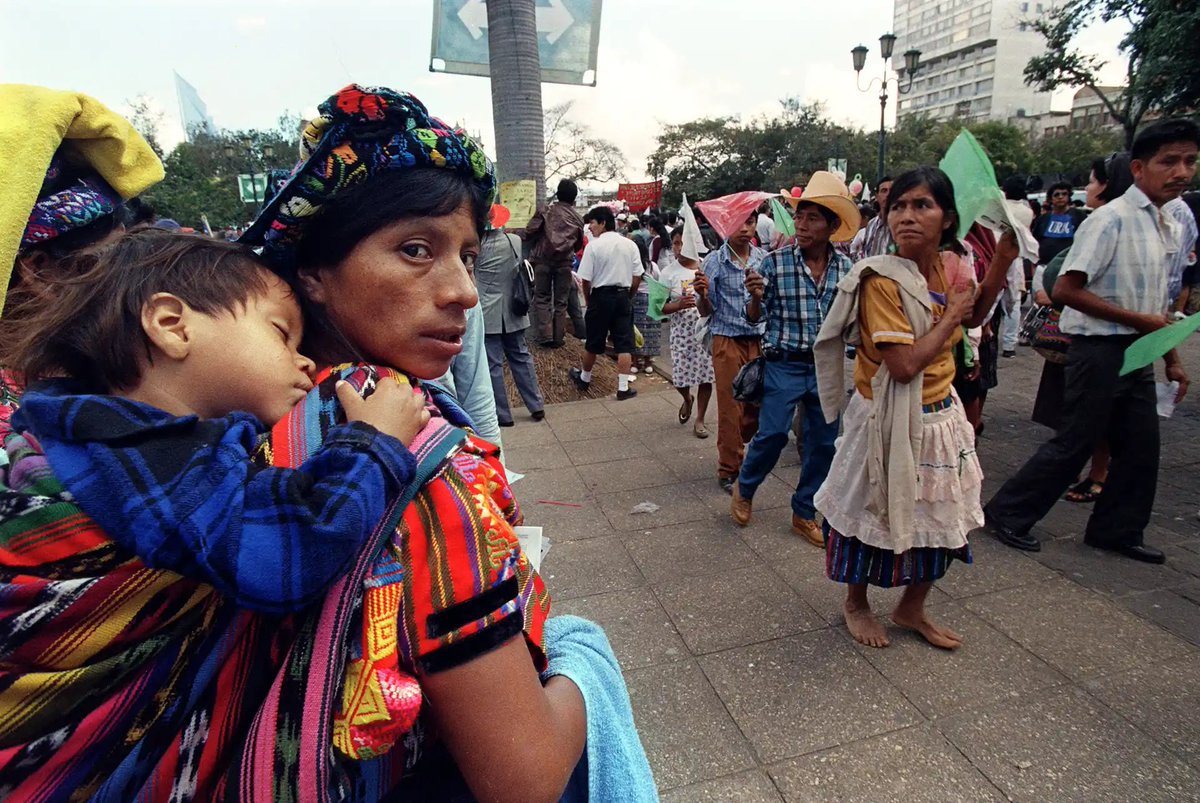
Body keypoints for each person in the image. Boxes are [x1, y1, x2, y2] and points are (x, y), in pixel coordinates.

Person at [3, 85, 655, 802]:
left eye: (467, 256)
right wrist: (585, 654)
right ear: (312, 270)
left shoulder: (211, 415)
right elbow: (524, 774)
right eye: (415, 249)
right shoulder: (419, 452)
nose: (464, 290)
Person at [0, 229, 431, 614]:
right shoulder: (143, 448)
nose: (305, 362)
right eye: (281, 334)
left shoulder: (85, 427)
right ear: (173, 326)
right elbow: (284, 559)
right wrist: (375, 442)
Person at [813, 166, 1018, 650]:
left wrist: (1002, 263)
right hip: (885, 414)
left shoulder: (951, 266)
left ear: (948, 218)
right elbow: (902, 366)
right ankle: (856, 603)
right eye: (898, 206)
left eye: (921, 205)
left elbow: (975, 313)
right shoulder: (881, 280)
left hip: (941, 413)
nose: (907, 216)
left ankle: (912, 606)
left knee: (945, 515)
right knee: (870, 510)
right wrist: (949, 317)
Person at [983, 119, 1197, 563]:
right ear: (1139, 168)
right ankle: (1008, 513)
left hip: (1139, 351)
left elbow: (1156, 305)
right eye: (1169, 161)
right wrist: (1138, 320)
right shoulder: (1109, 220)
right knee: (1075, 441)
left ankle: (1116, 529)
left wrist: (1172, 359)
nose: (1181, 171)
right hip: (1097, 349)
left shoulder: (1167, 225)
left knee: (1141, 447)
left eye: (1190, 161)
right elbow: (1066, 290)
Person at [732, 172, 860, 546]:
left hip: (826, 368)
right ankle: (746, 487)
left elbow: (851, 324)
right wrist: (755, 296)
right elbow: (753, 317)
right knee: (771, 434)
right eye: (799, 217)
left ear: (832, 225)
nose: (802, 225)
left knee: (822, 443)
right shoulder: (775, 263)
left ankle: (804, 511)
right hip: (783, 364)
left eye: (812, 218)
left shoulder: (846, 270)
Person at [1030, 154, 1134, 502]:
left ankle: (1095, 479)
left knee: (1091, 423)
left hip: (1115, 338)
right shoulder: (1101, 221)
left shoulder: (1109, 220)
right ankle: (1016, 508)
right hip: (1090, 337)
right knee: (1079, 423)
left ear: (1107, 184)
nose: (1086, 188)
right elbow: (1063, 282)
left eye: (1091, 180)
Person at [694, 210, 767, 493]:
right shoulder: (714, 261)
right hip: (726, 339)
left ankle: (742, 443)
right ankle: (729, 468)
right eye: (739, 222)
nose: (745, 229)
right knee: (729, 407)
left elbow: (767, 303)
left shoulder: (763, 260)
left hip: (758, 340)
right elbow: (705, 310)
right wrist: (702, 294)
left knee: (756, 408)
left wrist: (759, 296)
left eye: (750, 222)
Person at [474, 206, 546, 426]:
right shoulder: (514, 241)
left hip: (488, 312)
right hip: (514, 308)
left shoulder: (477, 248)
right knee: (521, 357)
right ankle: (536, 405)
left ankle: (502, 415)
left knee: (493, 365)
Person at [570, 205, 644, 400]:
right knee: (624, 344)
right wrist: (629, 295)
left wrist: (588, 298)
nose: (591, 227)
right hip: (622, 296)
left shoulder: (594, 246)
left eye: (592, 223)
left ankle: (585, 379)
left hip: (600, 297)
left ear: (603, 223)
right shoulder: (630, 244)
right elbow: (638, 276)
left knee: (593, 341)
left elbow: (585, 279)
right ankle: (622, 388)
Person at [660, 225, 714, 438]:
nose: (679, 248)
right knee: (680, 378)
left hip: (706, 331)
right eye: (675, 243)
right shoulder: (668, 273)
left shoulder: (706, 267)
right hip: (681, 333)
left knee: (706, 377)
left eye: (684, 243)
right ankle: (687, 399)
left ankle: (700, 419)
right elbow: (660, 307)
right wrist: (678, 305)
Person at [524, 178, 585, 348]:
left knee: (542, 297)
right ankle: (559, 338)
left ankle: (545, 336)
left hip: (543, 260)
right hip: (564, 263)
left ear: (557, 194)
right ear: (574, 198)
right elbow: (579, 244)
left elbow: (530, 231)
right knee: (561, 301)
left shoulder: (546, 210)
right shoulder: (578, 218)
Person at [1032, 180, 1088, 268]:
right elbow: (1034, 243)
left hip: (1070, 267)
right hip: (1044, 266)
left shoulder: (1079, 216)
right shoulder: (1043, 218)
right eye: (1056, 194)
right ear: (1050, 198)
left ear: (1069, 196)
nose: (1060, 197)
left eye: (1064, 194)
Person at [859, 175, 895, 257]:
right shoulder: (871, 224)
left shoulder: (901, 225)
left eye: (892, 191)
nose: (888, 194)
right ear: (877, 196)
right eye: (884, 191)